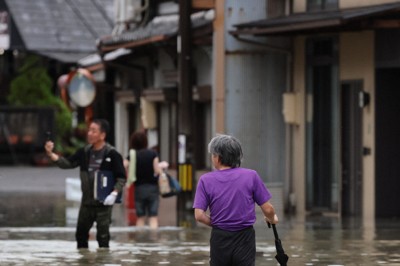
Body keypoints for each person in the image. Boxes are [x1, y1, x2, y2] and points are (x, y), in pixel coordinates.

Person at [193, 134, 279, 266]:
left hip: (219, 237)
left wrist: (218, 223)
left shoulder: (206, 180)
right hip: (245, 237)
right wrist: (272, 218)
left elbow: (199, 215)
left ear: (218, 157)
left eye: (212, 154)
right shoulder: (251, 176)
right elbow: (268, 209)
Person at [44, 119, 126, 249]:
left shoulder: (112, 154)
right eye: (89, 130)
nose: (89, 133)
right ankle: (84, 260)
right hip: (86, 204)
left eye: (94, 131)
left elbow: (121, 178)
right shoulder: (84, 152)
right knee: (80, 235)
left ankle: (103, 261)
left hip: (103, 204)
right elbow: (67, 163)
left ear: (102, 135)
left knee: (103, 238)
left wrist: (114, 193)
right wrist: (50, 153)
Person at [124, 131, 162, 229]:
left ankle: (139, 240)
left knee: (140, 217)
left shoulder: (132, 155)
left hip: (139, 188)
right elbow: (157, 170)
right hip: (153, 188)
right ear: (145, 141)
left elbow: (124, 165)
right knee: (153, 217)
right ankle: (154, 240)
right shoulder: (153, 153)